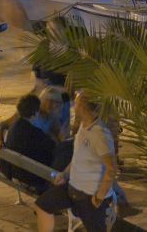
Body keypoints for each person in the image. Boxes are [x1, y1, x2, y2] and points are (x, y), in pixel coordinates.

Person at [34, 91, 117, 232]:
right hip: (72, 188)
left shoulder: (100, 134)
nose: (74, 106)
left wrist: (99, 197)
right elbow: (78, 157)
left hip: (89, 196)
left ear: (84, 108)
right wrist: (65, 174)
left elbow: (111, 168)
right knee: (42, 205)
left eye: (77, 103)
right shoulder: (83, 125)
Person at [0, 94, 57, 193]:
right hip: (27, 177)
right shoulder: (35, 133)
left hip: (10, 170)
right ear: (36, 112)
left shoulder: (15, 125)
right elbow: (54, 147)